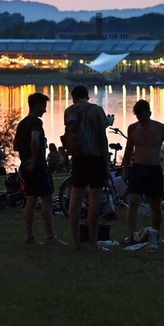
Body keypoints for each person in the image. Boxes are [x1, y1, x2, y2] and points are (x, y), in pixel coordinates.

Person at [121, 99, 164, 251]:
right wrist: (125, 168)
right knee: (133, 202)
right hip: (138, 169)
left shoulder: (160, 128)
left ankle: (155, 234)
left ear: (149, 113)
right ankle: (131, 236)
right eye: (139, 117)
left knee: (155, 204)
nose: (141, 120)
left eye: (143, 117)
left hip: (154, 169)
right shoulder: (133, 128)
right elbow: (128, 150)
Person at [13, 92, 65, 246]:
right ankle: (51, 237)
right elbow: (35, 140)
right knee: (47, 199)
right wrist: (35, 159)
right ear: (36, 105)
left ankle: (29, 237)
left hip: (25, 166)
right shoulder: (36, 123)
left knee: (31, 199)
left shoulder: (22, 124)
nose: (45, 110)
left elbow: (16, 145)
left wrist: (26, 159)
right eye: (43, 106)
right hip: (38, 167)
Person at [64, 85, 111, 252]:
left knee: (75, 199)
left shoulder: (70, 111)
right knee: (94, 200)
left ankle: (75, 242)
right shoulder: (96, 110)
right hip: (96, 158)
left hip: (78, 158)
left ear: (73, 97)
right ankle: (93, 242)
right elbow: (102, 138)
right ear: (87, 96)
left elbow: (70, 135)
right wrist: (106, 162)